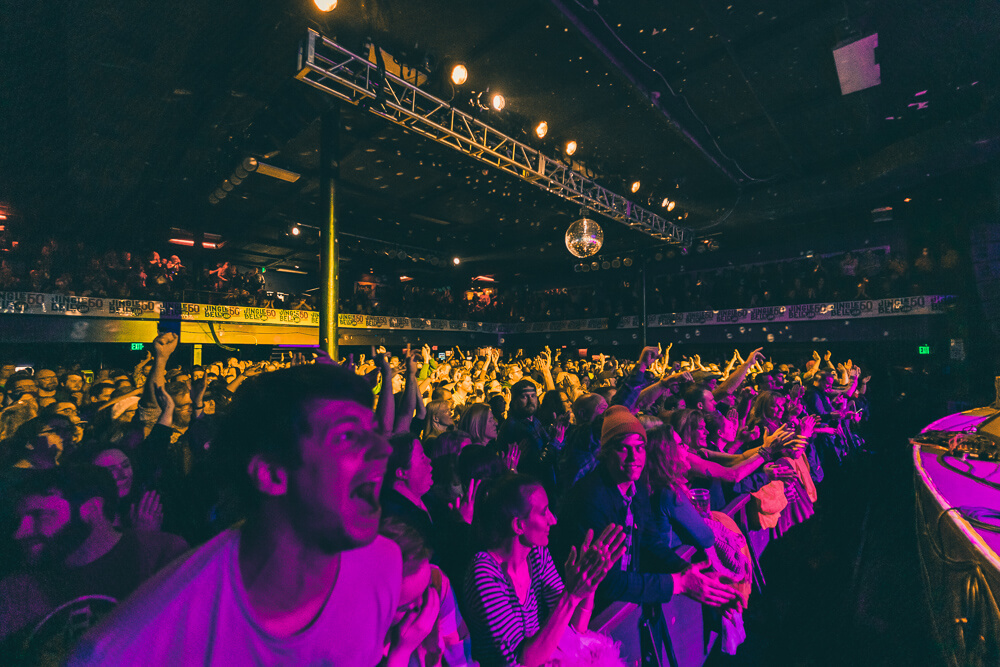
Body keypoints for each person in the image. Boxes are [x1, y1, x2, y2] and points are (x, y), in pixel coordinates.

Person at [67, 364, 404, 665]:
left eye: (374, 431)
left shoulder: (383, 566)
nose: (384, 448)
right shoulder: (134, 648)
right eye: (346, 436)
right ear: (271, 475)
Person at [557, 405, 740, 609]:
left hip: (623, 600)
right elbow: (604, 581)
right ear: (606, 453)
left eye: (639, 447)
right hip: (591, 611)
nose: (634, 457)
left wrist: (686, 569)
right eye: (623, 448)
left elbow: (649, 539)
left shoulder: (637, 485)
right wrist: (677, 583)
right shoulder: (591, 499)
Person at [0, 466, 188, 662]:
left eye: (39, 516)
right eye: (19, 520)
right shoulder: (17, 590)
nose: (20, 533)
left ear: (92, 510)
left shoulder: (160, 556)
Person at [464, 473, 626, 666]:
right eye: (544, 512)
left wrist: (590, 582)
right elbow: (525, 661)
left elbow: (575, 628)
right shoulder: (485, 573)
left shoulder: (536, 555)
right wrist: (570, 596)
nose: (553, 519)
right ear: (518, 525)